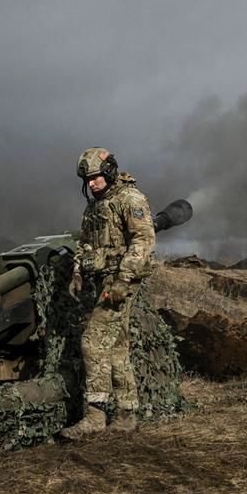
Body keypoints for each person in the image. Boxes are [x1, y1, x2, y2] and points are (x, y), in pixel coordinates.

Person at [59, 147, 156, 439]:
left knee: (92, 341)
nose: (92, 184)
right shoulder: (95, 207)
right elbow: (85, 244)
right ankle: (127, 414)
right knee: (116, 347)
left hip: (120, 282)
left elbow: (143, 239)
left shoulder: (130, 199)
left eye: (96, 178)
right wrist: (77, 272)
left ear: (110, 172)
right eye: (87, 180)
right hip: (104, 280)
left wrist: (123, 280)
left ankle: (95, 416)